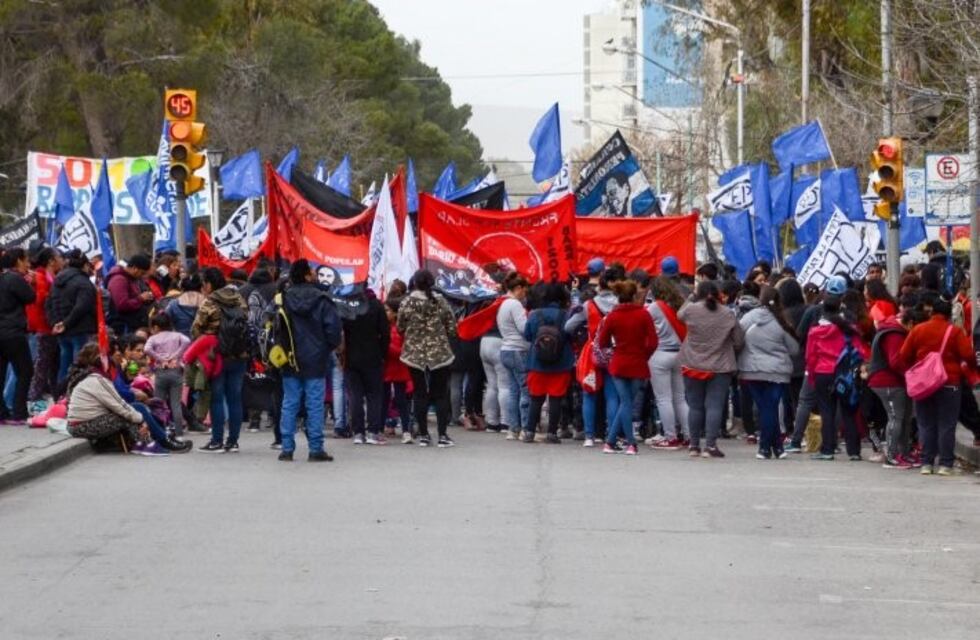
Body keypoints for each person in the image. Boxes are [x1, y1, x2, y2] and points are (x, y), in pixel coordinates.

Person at [275, 259, 342, 462]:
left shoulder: (282, 298)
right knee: (314, 403)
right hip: (316, 359)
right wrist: (325, 348)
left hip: (289, 357)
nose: (315, 274)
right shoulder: (323, 299)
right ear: (305, 275)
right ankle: (315, 448)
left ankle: (286, 447)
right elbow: (333, 331)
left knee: (290, 402)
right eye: (312, 271)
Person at [900, 298, 974, 475]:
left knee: (926, 423)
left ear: (931, 312)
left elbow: (904, 355)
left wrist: (919, 367)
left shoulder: (918, 329)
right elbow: (968, 355)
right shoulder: (954, 331)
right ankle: (945, 464)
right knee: (947, 424)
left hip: (924, 384)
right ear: (949, 314)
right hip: (949, 383)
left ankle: (926, 463)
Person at [678, 281, 744, 458]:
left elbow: (679, 315)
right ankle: (710, 446)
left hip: (692, 363)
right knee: (714, 406)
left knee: (695, 406)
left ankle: (693, 445)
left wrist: (691, 297)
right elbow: (738, 340)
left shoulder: (691, 310)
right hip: (720, 365)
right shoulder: (727, 314)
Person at [737, 286, 799, 460]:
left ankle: (768, 448)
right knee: (770, 407)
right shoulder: (781, 321)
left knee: (765, 408)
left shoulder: (748, 318)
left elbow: (737, 337)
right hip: (777, 371)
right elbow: (794, 349)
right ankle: (773, 447)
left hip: (751, 369)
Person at [397, 269, 457, 448]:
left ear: (414, 283)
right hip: (439, 354)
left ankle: (423, 435)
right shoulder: (440, 301)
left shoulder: (407, 302)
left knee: (419, 393)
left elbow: (400, 326)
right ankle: (443, 435)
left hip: (414, 355)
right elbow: (452, 327)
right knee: (440, 394)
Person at [805, 295, 869, 461]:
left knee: (827, 412)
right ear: (841, 307)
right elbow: (860, 351)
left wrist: (812, 376)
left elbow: (810, 357)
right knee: (849, 412)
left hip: (822, 373)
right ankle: (854, 451)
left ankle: (827, 450)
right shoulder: (849, 329)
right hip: (845, 374)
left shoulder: (815, 331)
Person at [192, 267, 249, 453]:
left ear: (208, 284)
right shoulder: (239, 299)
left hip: (215, 356)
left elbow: (196, 328)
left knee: (216, 398)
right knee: (235, 398)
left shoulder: (209, 303)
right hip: (239, 355)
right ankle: (233, 441)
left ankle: (217, 440)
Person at [598, 280, 657, 455]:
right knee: (627, 403)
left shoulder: (613, 316)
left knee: (625, 402)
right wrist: (644, 355)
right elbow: (653, 342)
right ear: (633, 296)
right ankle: (630, 443)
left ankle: (610, 441)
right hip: (638, 362)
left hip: (618, 362)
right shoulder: (643, 314)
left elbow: (602, 342)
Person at [521, 282, 575, 444]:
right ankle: (552, 433)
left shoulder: (534, 314)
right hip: (561, 363)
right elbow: (570, 336)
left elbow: (528, 335)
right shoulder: (566, 315)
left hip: (536, 362)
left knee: (536, 399)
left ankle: (529, 431)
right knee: (556, 399)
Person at [868, 308, 914, 469]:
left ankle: (903, 454)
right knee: (896, 418)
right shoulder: (894, 334)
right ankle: (891, 456)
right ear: (909, 323)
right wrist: (912, 373)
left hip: (894, 381)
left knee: (904, 418)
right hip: (887, 381)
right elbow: (895, 362)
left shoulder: (891, 330)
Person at [646, 276, 689, 450]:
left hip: (660, 354)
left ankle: (670, 437)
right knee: (680, 398)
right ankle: (688, 436)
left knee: (663, 399)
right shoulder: (681, 305)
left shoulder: (654, 308)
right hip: (680, 354)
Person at [344, 287, 389, 445]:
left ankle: (358, 432)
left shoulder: (347, 304)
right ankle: (373, 431)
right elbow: (385, 332)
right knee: (374, 395)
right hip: (373, 356)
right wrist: (383, 353)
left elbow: (341, 330)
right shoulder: (376, 304)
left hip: (351, 356)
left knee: (355, 395)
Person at [46, 249, 98, 385]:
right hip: (80, 329)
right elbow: (82, 306)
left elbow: (48, 304)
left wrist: (55, 323)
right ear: (85, 265)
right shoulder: (84, 282)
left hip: (62, 331)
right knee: (79, 365)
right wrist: (66, 323)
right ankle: (76, 393)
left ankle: (61, 394)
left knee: (65, 363)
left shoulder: (57, 281)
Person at [0, 248, 36, 424]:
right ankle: (19, 412)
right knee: (25, 371)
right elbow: (30, 297)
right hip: (13, 332)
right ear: (18, 261)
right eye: (25, 260)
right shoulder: (14, 278)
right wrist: (30, 282)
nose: (28, 264)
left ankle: (2, 412)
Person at [496, 272, 530, 440]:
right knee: (525, 390)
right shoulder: (515, 305)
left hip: (506, 348)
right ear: (518, 288)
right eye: (524, 290)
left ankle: (512, 428)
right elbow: (524, 328)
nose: (525, 294)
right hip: (518, 349)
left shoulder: (502, 304)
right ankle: (525, 427)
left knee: (512, 391)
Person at [26, 247, 62, 405]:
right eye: (59, 257)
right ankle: (33, 397)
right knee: (42, 365)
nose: (62, 260)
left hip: (51, 326)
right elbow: (39, 300)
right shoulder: (40, 276)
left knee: (53, 364)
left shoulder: (51, 276)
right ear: (51, 261)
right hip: (43, 326)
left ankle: (56, 394)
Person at [145, 314, 190, 437]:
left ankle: (160, 431)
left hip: (161, 371)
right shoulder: (177, 335)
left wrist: (160, 358)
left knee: (158, 403)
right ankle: (179, 433)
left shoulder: (153, 338)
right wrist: (175, 355)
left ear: (156, 327)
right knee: (176, 403)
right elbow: (187, 341)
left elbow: (147, 349)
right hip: (176, 371)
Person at [383, 298, 413, 443]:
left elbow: (403, 350)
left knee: (401, 400)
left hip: (399, 368)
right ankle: (381, 427)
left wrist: (387, 347)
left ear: (395, 313)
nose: (385, 313)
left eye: (387, 310)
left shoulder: (401, 329)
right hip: (387, 368)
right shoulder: (384, 327)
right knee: (384, 399)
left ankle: (406, 429)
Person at [106, 254, 154, 334]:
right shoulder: (119, 280)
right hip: (124, 326)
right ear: (135, 268)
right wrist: (141, 298)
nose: (142, 276)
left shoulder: (131, 279)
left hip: (133, 324)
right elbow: (122, 305)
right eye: (142, 273)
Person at [165, 274, 206, 338]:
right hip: (201, 344)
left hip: (179, 343)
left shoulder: (173, 305)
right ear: (201, 288)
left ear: (182, 289)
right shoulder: (208, 304)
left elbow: (164, 323)